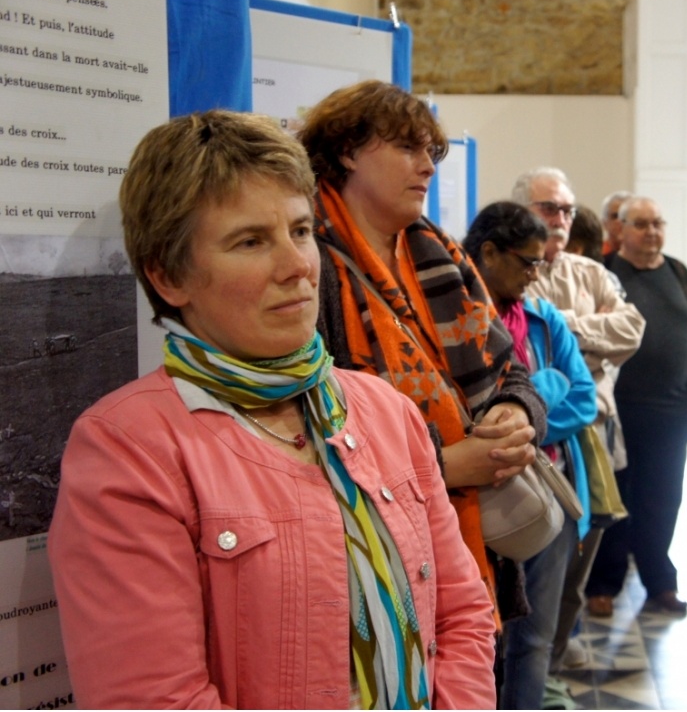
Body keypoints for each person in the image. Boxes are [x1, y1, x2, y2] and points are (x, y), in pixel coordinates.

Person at [47, 110, 497, 709]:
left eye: (302, 230)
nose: (297, 267)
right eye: (251, 241)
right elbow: (155, 697)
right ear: (169, 275)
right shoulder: (128, 448)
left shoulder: (383, 411)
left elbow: (462, 612)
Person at [299, 81, 548, 627]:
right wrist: (446, 466)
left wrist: (514, 416)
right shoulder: (308, 266)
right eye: (407, 148)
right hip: (372, 557)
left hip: (474, 544)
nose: (427, 167)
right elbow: (303, 431)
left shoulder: (439, 250)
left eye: (430, 152)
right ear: (347, 151)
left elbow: (514, 374)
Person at [463, 201, 597, 710]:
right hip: (476, 497)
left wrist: (521, 428)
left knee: (535, 638)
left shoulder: (543, 321)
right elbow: (466, 417)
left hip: (547, 494)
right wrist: (545, 387)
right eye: (527, 262)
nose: (535, 275)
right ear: (489, 253)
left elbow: (583, 399)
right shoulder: (455, 321)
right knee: (479, 637)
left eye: (541, 263)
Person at [513, 168, 645, 672]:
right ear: (524, 209)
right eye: (549, 208)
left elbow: (630, 330)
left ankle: (552, 663)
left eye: (567, 209)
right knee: (527, 563)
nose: (561, 219)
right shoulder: (505, 267)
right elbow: (527, 363)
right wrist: (590, 348)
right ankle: (518, 674)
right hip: (536, 434)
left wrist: (564, 326)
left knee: (578, 562)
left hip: (594, 432)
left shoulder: (588, 273)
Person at [588, 196, 687, 617]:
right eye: (641, 224)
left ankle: (660, 581)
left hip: (672, 412)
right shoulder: (605, 272)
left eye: (657, 223)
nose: (652, 231)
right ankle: (604, 582)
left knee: (664, 498)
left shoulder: (678, 272)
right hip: (618, 411)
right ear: (620, 229)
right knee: (616, 499)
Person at [600, 190, 632, 256]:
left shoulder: (647, 257)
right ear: (604, 223)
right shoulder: (595, 256)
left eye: (626, 215)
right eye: (615, 216)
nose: (620, 221)